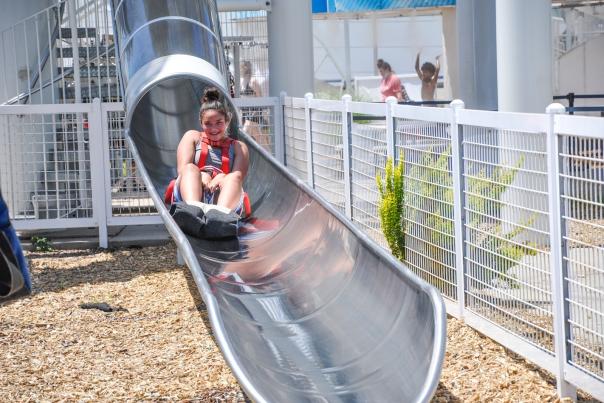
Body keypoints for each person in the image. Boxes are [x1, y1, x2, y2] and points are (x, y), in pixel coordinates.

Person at [170, 87, 249, 216]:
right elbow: (182, 169)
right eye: (208, 123)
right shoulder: (193, 137)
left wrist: (221, 177)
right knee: (190, 168)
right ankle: (193, 212)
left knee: (233, 177)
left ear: (227, 121)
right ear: (201, 123)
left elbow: (239, 176)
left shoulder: (238, 147)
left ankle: (220, 217)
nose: (214, 129)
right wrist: (201, 175)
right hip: (192, 190)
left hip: (223, 195)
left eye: (219, 123)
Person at [240, 61, 270, 148]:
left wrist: (256, 113)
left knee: (244, 132)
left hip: (254, 113)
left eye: (245, 67)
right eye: (242, 67)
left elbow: (260, 98)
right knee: (259, 137)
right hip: (245, 113)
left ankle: (238, 152)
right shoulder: (241, 82)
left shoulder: (253, 81)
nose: (243, 69)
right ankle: (269, 155)